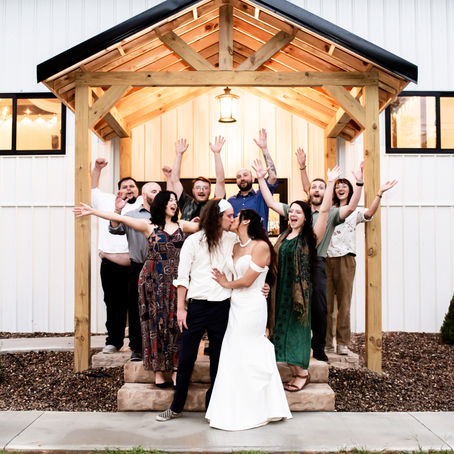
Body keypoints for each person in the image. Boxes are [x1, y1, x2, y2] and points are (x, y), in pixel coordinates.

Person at [73, 191, 199, 386]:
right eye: (170, 200)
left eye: (175, 200)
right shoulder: (148, 225)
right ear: (161, 204)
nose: (174, 203)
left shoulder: (183, 225)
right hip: (152, 280)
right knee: (155, 325)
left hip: (176, 281)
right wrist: (93, 212)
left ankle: (175, 369)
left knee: (176, 324)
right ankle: (158, 370)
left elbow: (208, 227)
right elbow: (117, 217)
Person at [253, 160, 340, 391]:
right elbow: (270, 202)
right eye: (290, 211)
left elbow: (324, 210)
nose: (292, 214)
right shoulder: (283, 237)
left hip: (299, 294)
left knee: (297, 332)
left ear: (305, 217)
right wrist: (261, 178)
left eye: (297, 212)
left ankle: (302, 372)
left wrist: (330, 183)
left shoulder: (311, 237)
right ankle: (293, 371)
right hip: (280, 291)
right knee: (281, 329)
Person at [207, 209, 292, 431]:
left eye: (236, 217)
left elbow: (246, 281)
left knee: (249, 348)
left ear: (246, 221)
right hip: (235, 305)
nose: (232, 220)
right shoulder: (235, 246)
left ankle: (259, 406)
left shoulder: (261, 246)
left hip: (253, 305)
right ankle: (233, 405)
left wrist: (226, 284)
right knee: (234, 350)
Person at [156, 198, 237, 422]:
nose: (233, 219)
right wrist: (181, 309)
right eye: (229, 215)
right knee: (186, 357)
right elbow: (183, 277)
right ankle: (176, 406)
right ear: (217, 217)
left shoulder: (233, 239)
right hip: (197, 306)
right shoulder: (193, 241)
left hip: (222, 307)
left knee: (218, 360)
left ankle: (213, 408)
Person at [326, 174, 398, 355]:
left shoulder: (354, 211)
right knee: (325, 305)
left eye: (343, 186)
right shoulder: (329, 210)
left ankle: (342, 343)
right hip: (326, 259)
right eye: (337, 187)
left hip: (346, 259)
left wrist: (379, 193)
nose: (340, 189)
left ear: (350, 190)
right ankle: (326, 343)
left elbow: (369, 213)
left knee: (344, 304)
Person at [91, 157, 142, 354]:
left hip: (136, 265)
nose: (129, 189)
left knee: (136, 305)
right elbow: (92, 188)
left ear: (139, 191)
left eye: (133, 186)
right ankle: (114, 341)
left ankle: (136, 344)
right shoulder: (105, 201)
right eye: (125, 186)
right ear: (118, 190)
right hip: (111, 264)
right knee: (113, 303)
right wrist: (97, 168)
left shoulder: (143, 207)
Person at [109, 181, 162, 361]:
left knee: (161, 307)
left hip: (161, 268)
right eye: (154, 191)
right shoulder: (131, 215)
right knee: (136, 308)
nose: (158, 194)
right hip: (138, 267)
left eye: (160, 191)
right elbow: (114, 229)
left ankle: (159, 347)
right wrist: (117, 211)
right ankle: (137, 349)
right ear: (145, 195)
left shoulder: (166, 216)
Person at [164, 137, 226, 220]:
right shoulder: (186, 202)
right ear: (193, 190)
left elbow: (220, 181)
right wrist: (179, 154)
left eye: (205, 188)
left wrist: (217, 154)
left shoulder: (214, 205)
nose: (201, 190)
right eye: (198, 188)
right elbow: (175, 180)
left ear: (210, 191)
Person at [228, 128, 278, 231]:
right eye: (239, 177)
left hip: (258, 243)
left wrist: (264, 149)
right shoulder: (230, 201)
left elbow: (273, 176)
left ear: (253, 179)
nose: (242, 178)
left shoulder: (261, 196)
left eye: (245, 175)